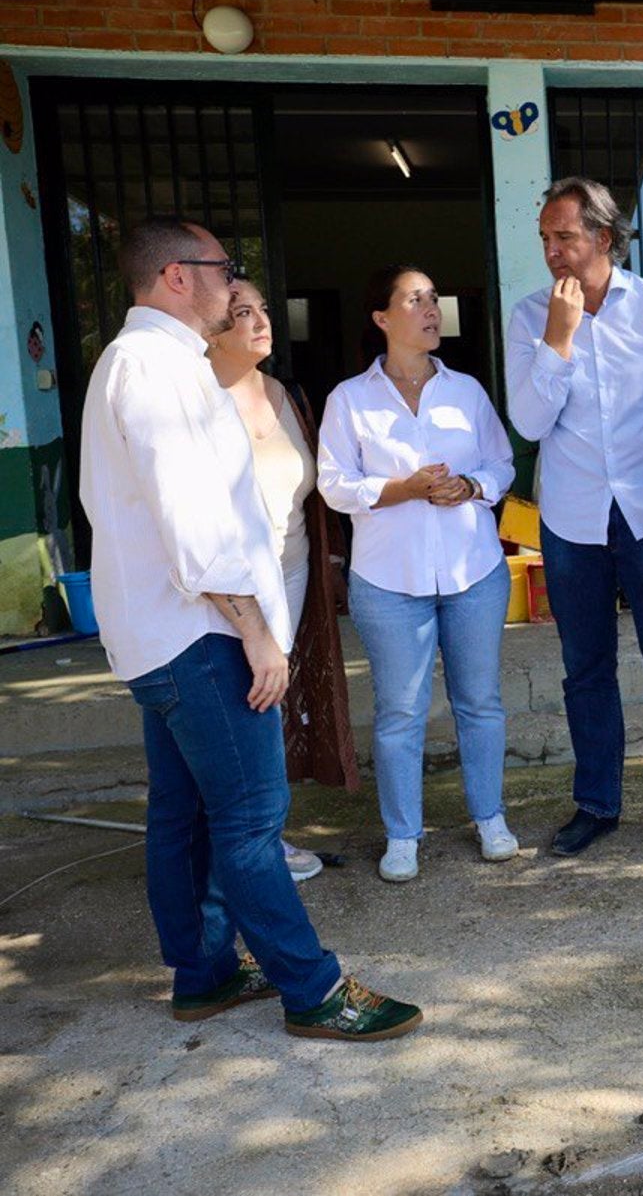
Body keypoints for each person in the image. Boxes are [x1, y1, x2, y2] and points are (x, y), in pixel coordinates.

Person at [79, 215, 420, 1040]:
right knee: (251, 819)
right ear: (175, 278)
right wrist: (256, 629)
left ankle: (204, 972)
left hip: (165, 633)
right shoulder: (155, 369)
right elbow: (193, 525)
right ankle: (315, 988)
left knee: (184, 814)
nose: (235, 284)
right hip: (200, 636)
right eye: (223, 268)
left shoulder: (152, 362)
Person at [505, 177, 643, 860]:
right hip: (573, 521)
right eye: (544, 238)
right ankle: (597, 803)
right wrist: (559, 341)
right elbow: (530, 422)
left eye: (564, 236)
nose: (552, 252)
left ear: (603, 238)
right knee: (586, 669)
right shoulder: (530, 317)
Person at [318, 265, 519, 883]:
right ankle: (403, 833)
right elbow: (332, 484)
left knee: (479, 703)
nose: (431, 310)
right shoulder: (350, 399)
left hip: (473, 572)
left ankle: (490, 817)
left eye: (435, 299)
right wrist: (400, 489)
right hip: (388, 580)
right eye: (415, 300)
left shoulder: (467, 392)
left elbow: (502, 463)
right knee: (400, 712)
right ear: (382, 319)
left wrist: (472, 485)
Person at [205, 280, 359, 883]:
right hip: (227, 585)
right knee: (237, 708)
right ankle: (246, 848)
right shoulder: (198, 402)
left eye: (262, 309)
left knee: (269, 707)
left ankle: (263, 839)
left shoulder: (286, 395)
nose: (260, 321)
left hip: (291, 571)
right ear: (211, 331)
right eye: (241, 313)